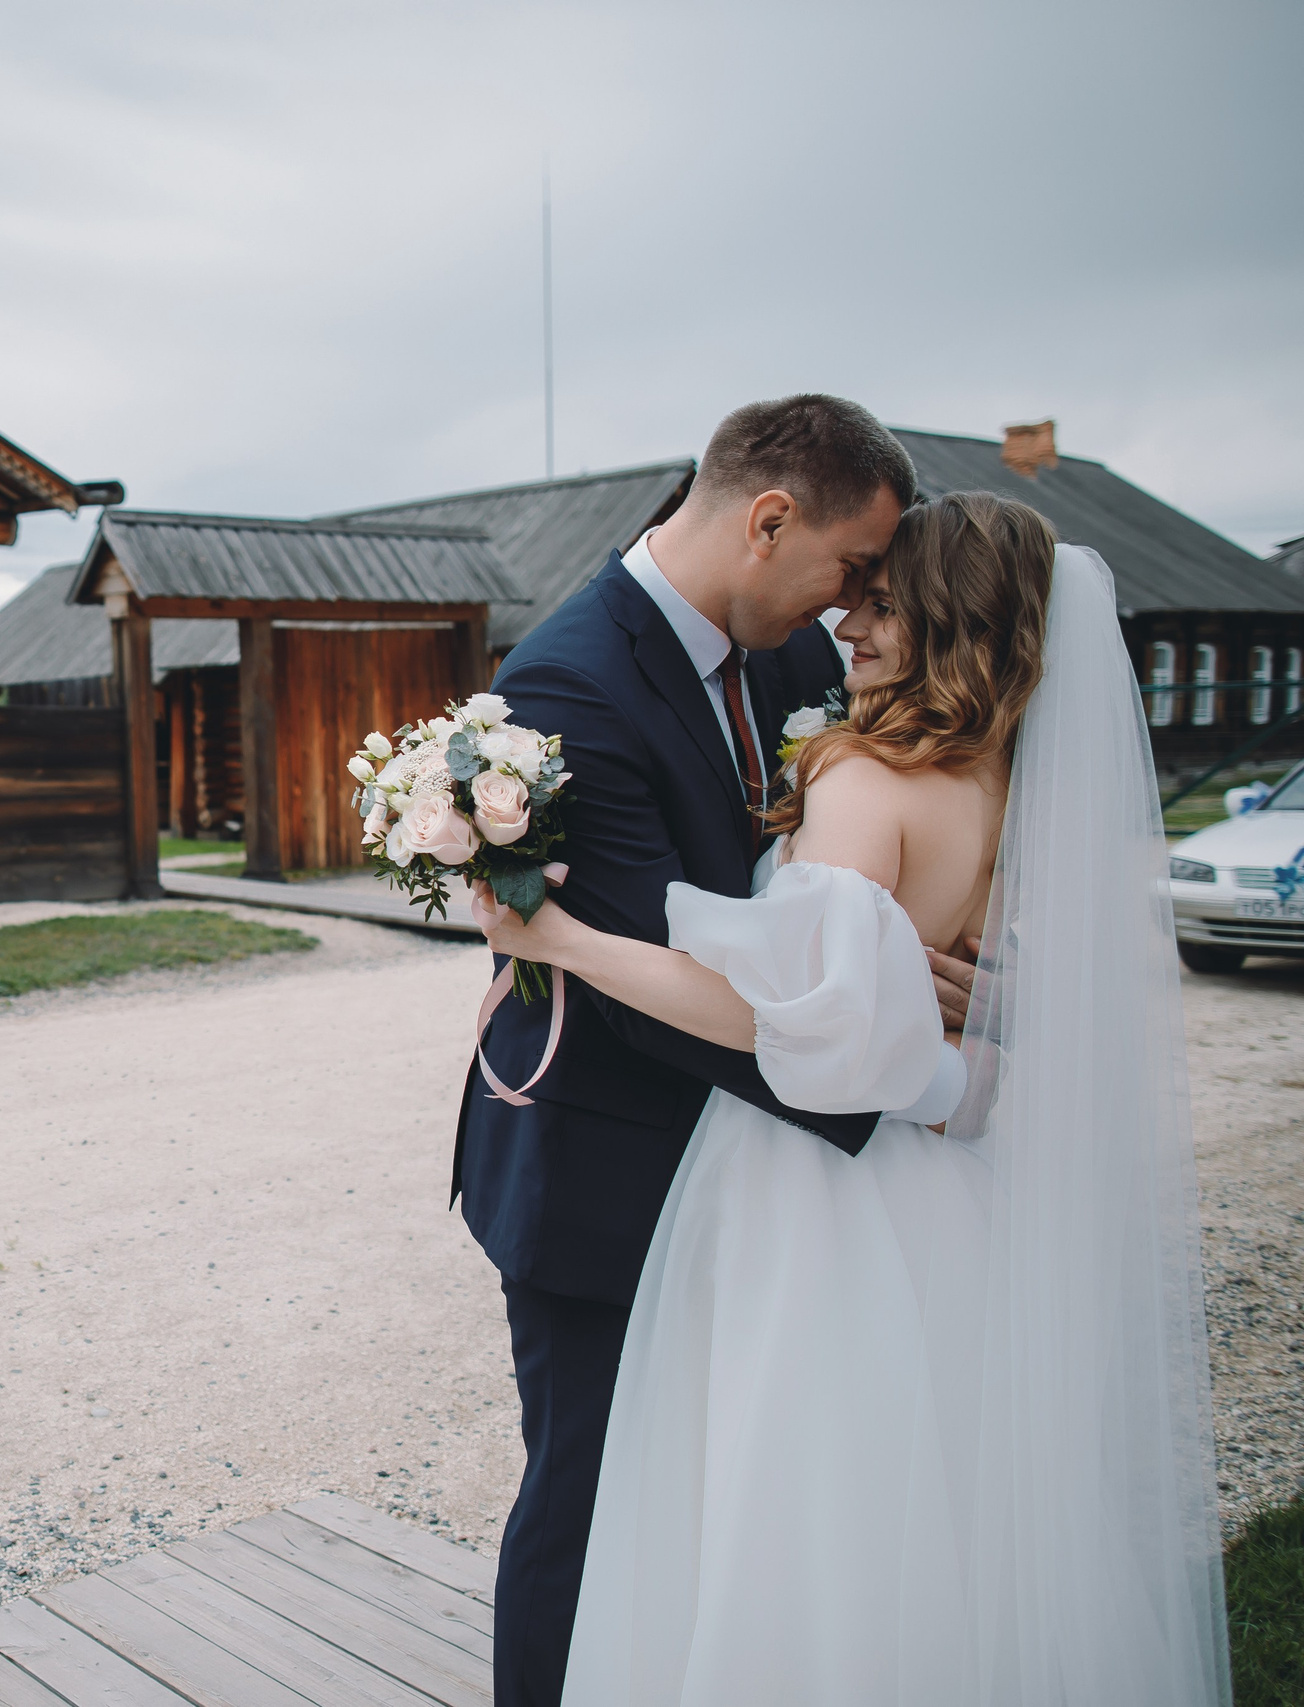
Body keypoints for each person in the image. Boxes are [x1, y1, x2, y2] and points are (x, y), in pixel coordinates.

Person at [475, 501, 1228, 1701]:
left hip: (806, 1191)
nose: (847, 622)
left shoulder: (860, 774)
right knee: (920, 1500)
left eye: (882, 603)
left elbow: (793, 1031)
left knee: (775, 1495)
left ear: (945, 620)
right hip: (933, 1203)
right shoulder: (1003, 779)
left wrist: (560, 940)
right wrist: (963, 1062)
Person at [449, 396, 915, 1705]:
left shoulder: (787, 654)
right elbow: (644, 978)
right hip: (605, 1173)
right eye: (850, 565)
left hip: (752, 1174)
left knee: (725, 1498)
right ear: (768, 522)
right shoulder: (569, 678)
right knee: (590, 1502)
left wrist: (896, 954)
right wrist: (881, 1056)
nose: (854, 603)